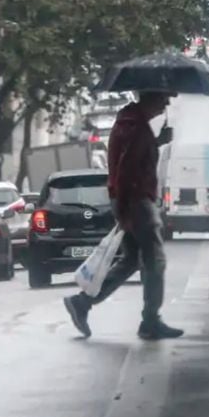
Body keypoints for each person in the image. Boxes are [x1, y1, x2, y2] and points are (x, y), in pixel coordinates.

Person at [64, 91, 183, 340]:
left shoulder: (130, 124)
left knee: (130, 260)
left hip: (128, 200)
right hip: (138, 201)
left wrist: (157, 141)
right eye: (163, 98)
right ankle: (151, 320)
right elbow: (127, 170)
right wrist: (126, 207)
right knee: (155, 260)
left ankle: (83, 303)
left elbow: (130, 161)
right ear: (150, 98)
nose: (166, 104)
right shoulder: (136, 128)